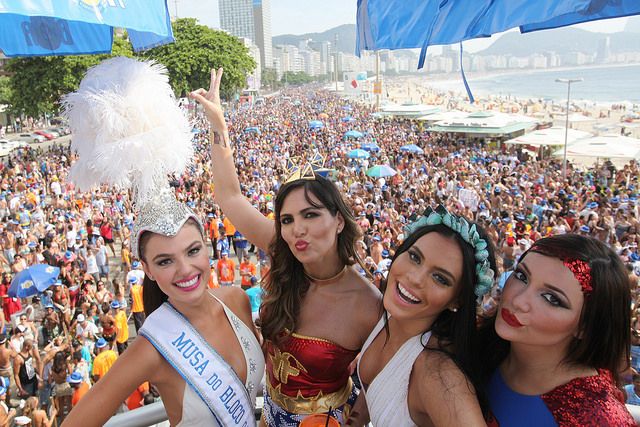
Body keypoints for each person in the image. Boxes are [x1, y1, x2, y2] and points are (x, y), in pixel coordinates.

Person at [63, 57, 264, 427]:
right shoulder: (151, 346)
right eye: (166, 261)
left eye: (192, 251)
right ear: (148, 271)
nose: (186, 270)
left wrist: (218, 127)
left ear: (208, 247)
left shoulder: (236, 300)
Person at [191, 68, 380, 425]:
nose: (297, 230)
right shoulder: (285, 252)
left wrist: (359, 414)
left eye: (310, 215)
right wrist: (218, 123)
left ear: (339, 221)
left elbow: (385, 374)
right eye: (288, 219)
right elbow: (229, 197)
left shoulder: (369, 303)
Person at [348, 206, 496, 426]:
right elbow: (374, 387)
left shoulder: (439, 375)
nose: (415, 278)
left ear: (457, 300)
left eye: (440, 278)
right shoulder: (390, 314)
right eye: (415, 257)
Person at [479, 234, 635, 426]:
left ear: (585, 326)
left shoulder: (599, 418)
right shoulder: (472, 346)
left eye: (551, 298)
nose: (518, 301)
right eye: (521, 276)